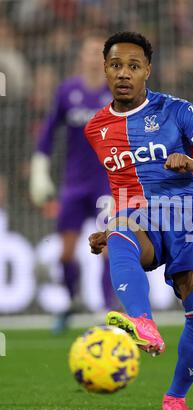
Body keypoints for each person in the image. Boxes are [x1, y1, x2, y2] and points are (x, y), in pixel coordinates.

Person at [85, 32, 193, 410]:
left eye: (133, 66)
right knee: (120, 224)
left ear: (147, 71)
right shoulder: (96, 129)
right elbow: (117, 188)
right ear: (105, 69)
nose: (124, 73)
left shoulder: (178, 111)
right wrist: (109, 233)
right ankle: (142, 322)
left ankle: (176, 398)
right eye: (116, 65)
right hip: (139, 218)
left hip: (189, 220)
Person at [29, 34, 114, 333]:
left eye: (99, 53)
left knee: (107, 248)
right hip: (74, 184)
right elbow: (48, 133)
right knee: (66, 253)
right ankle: (72, 300)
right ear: (81, 57)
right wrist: (40, 170)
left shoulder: (115, 91)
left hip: (106, 182)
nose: (93, 58)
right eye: (89, 52)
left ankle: (107, 310)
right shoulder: (68, 91)